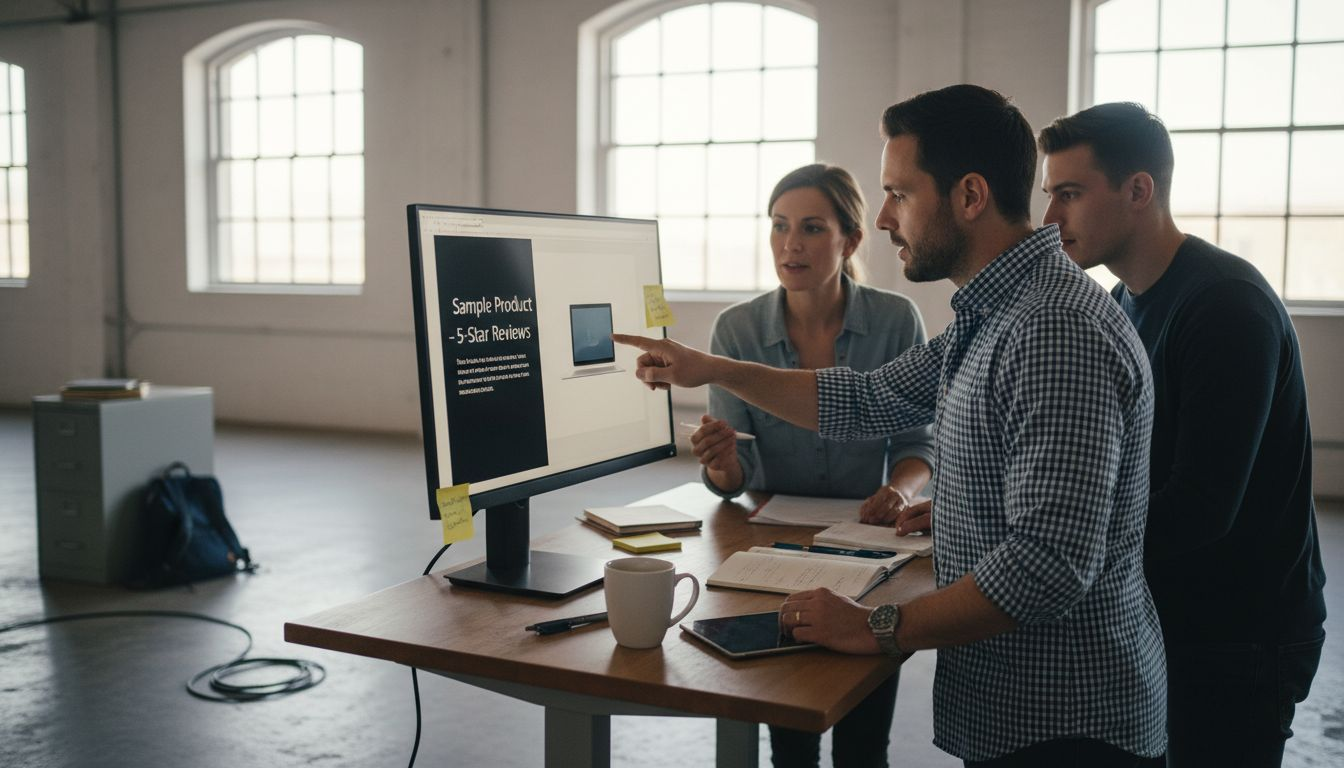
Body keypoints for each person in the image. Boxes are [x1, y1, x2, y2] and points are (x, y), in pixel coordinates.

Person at [615, 84, 1166, 767]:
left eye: (899, 194)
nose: (880, 219)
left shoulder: (1050, 328)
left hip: (1064, 724)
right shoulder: (994, 312)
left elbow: (1048, 566)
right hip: (1022, 709)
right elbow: (868, 399)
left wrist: (878, 624)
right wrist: (711, 368)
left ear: (970, 196)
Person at [1038, 102, 1327, 768]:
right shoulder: (1124, 302)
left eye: (1069, 194)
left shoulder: (1225, 306)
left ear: (1139, 190)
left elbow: (1199, 510)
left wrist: (1056, 543)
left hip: (1238, 636)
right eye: (1049, 195)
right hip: (1172, 616)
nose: (1050, 219)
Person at [690, 163, 934, 768]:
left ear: (850, 241)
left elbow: (917, 443)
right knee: (790, 740)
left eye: (811, 228)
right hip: (771, 551)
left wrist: (901, 492)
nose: (790, 244)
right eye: (779, 226)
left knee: (863, 748)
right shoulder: (736, 330)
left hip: (868, 543)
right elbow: (733, 480)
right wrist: (721, 464)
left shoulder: (895, 320)